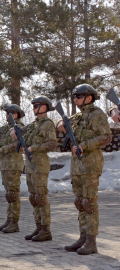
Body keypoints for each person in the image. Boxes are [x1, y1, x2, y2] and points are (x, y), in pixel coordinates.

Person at [57, 84, 111, 255]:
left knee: (89, 203)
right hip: (77, 166)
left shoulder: (97, 115)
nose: (76, 99)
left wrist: (84, 145)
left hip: (90, 164)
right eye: (75, 96)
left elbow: (106, 136)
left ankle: (91, 241)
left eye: (79, 96)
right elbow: (61, 123)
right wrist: (60, 123)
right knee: (80, 202)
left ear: (89, 97)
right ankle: (82, 237)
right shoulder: (77, 117)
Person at [11, 96, 57, 241]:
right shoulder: (33, 125)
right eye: (33, 105)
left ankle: (46, 229)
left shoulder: (47, 124)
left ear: (45, 107)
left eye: (36, 105)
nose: (33, 108)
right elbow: (20, 131)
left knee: (41, 197)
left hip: (40, 164)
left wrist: (34, 148)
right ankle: (38, 227)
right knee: (33, 197)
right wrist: (15, 129)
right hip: (30, 165)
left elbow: (52, 144)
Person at [0, 104, 25, 233]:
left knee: (13, 193)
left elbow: (17, 143)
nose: (6, 115)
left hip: (13, 164)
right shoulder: (5, 129)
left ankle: (14, 222)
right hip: (5, 164)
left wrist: (2, 149)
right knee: (8, 194)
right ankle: (9, 219)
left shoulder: (19, 127)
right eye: (6, 113)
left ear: (16, 114)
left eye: (9, 113)